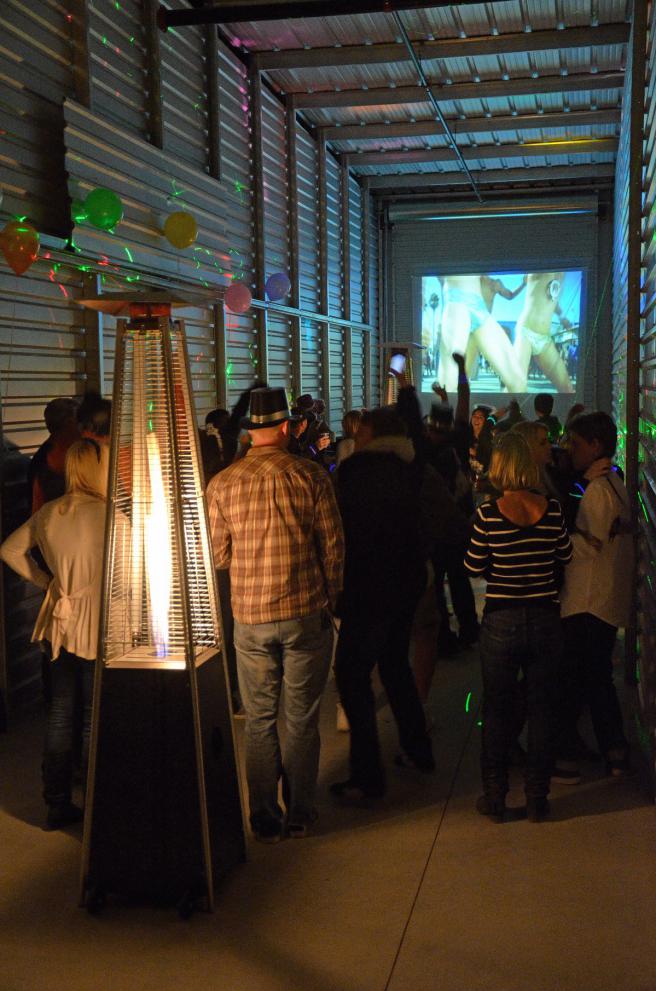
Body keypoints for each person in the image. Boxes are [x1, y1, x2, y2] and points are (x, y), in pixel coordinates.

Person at [207, 387, 344, 843]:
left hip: (250, 617)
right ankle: (300, 813)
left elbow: (218, 555)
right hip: (305, 611)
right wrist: (332, 597)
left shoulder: (222, 484)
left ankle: (264, 817)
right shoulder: (310, 476)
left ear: (250, 432)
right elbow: (333, 546)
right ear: (286, 427)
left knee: (260, 719)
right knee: (301, 719)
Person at [0, 439, 109, 829]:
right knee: (93, 715)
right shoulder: (111, 515)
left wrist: (47, 582)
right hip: (96, 621)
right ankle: (95, 801)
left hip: (57, 623)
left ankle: (57, 801)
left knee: (61, 713)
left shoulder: (50, 513)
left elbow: (9, 550)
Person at [464, 433, 572, 823]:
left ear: (500, 466)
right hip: (545, 618)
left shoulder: (488, 514)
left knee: (497, 709)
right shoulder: (552, 510)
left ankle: (495, 797)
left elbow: (473, 566)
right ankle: (537, 799)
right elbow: (566, 555)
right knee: (542, 709)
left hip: (501, 620)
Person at [331, 408, 435, 801]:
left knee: (351, 674)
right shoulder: (411, 467)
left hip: (367, 586)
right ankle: (418, 749)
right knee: (394, 665)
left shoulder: (356, 472)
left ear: (372, 434)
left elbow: (342, 530)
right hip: (407, 582)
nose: (355, 437)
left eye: (361, 431)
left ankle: (366, 775)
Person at [554, 412, 634, 782]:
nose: (570, 450)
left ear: (595, 446)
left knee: (585, 677)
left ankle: (600, 750)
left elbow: (588, 545)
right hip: (601, 596)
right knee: (591, 676)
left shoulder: (597, 490)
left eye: (577, 443)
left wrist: (549, 541)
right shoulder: (612, 482)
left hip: (588, 599)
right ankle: (608, 749)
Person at [438, 275, 524, 393]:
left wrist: (523, 285)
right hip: (458, 299)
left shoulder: (495, 283)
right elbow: (440, 278)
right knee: (452, 382)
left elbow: (510, 295)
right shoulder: (488, 282)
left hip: (480, 311)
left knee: (518, 382)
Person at [514, 273, 575, 393]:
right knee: (517, 387)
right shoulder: (540, 267)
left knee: (567, 389)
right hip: (525, 332)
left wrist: (562, 317)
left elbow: (552, 300)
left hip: (545, 339)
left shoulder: (562, 274)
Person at [28, 398, 80, 513]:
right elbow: (37, 511)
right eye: (79, 420)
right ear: (69, 423)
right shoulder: (44, 462)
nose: (83, 425)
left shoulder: (73, 453)